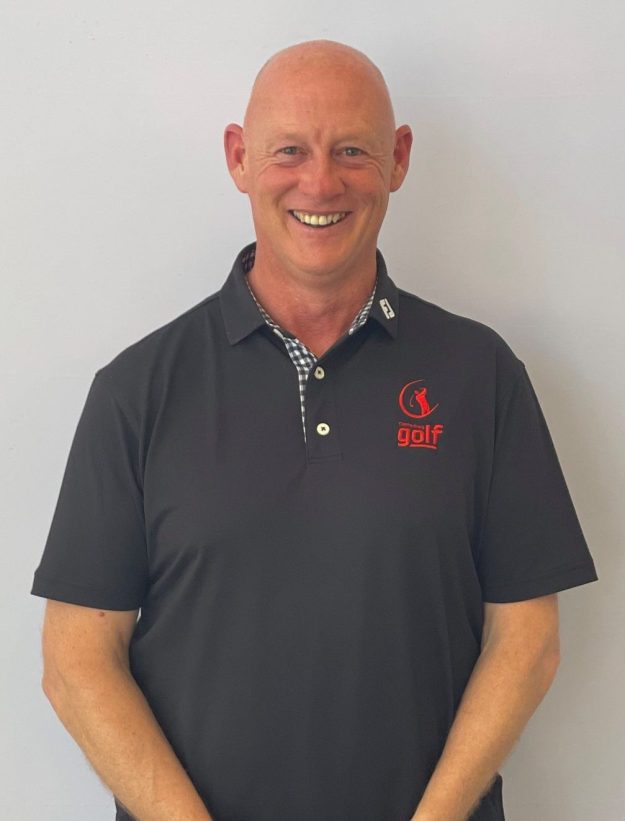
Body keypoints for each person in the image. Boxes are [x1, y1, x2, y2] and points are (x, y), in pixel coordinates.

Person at [31, 39, 599, 821]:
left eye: (352, 150)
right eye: (289, 150)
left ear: (398, 159)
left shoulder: (480, 375)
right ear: (239, 158)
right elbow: (75, 660)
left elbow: (526, 639)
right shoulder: (137, 390)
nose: (320, 181)